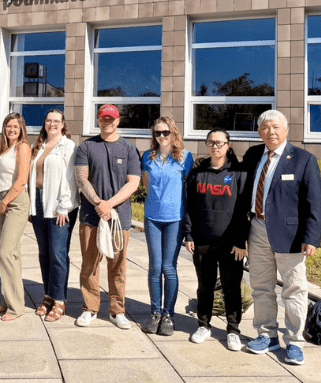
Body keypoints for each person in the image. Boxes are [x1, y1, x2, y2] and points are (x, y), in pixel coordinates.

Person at [243, 110, 321, 365]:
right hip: (257, 228)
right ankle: (266, 334)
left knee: (294, 289)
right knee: (261, 286)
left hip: (290, 234)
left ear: (286, 130)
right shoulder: (253, 155)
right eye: (265, 128)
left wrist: (311, 237)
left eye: (276, 127)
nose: (271, 132)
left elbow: (314, 202)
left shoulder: (303, 159)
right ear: (259, 132)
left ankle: (295, 341)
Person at [73, 104, 141, 329]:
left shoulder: (129, 149)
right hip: (91, 216)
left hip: (119, 218)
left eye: (111, 118)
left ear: (118, 121)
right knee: (90, 265)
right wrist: (98, 203)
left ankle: (117, 311)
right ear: (98, 120)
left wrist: (109, 204)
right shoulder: (87, 147)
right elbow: (82, 179)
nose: (107, 122)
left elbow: (133, 183)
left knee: (118, 266)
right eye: (103, 118)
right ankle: (90, 308)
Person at [183, 128, 249, 351]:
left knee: (232, 287)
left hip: (231, 243)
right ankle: (204, 325)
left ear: (228, 145)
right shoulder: (197, 173)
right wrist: (189, 234)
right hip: (203, 240)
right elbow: (189, 206)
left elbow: (243, 210)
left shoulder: (239, 174)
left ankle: (233, 330)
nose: (215, 146)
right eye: (211, 142)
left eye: (220, 142)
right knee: (205, 286)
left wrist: (241, 241)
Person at [140, 117, 193, 336]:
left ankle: (168, 315)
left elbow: (188, 189)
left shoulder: (185, 157)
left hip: (175, 218)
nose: (161, 136)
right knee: (155, 267)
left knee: (168, 267)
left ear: (173, 133)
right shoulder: (147, 156)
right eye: (157, 133)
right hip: (152, 217)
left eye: (165, 132)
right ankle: (155, 313)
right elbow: (147, 185)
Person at [29, 110, 78, 323]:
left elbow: (70, 179)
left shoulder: (68, 146)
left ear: (63, 124)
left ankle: (60, 300)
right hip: (39, 204)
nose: (52, 124)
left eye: (56, 121)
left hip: (59, 206)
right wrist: (31, 207)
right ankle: (48, 295)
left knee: (58, 254)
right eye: (49, 120)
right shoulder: (39, 146)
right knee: (44, 253)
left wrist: (64, 207)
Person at [0, 112, 31, 321]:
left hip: (15, 201)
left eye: (16, 126)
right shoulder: (4, 150)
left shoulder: (22, 147)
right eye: (9, 126)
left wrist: (5, 202)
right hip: (2, 200)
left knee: (5, 252)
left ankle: (16, 308)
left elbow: (22, 179)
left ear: (21, 129)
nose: (12, 129)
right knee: (12, 253)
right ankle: (8, 299)